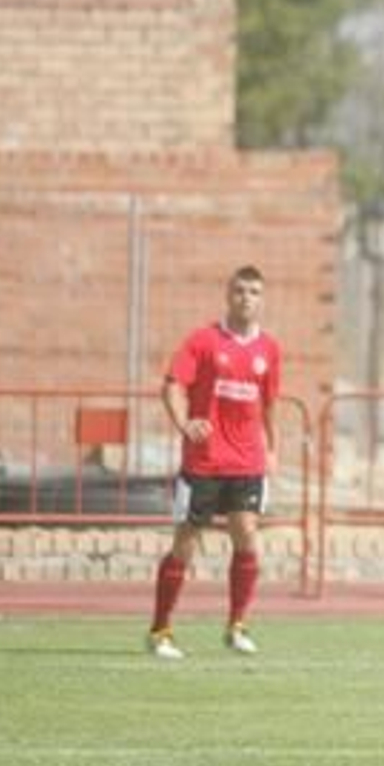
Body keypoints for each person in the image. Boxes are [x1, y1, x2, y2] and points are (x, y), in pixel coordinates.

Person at [146, 265, 282, 660]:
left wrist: (272, 448)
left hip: (247, 462)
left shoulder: (269, 349)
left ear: (262, 298)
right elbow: (172, 386)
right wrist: (184, 422)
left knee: (247, 539)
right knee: (185, 546)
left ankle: (237, 625)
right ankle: (161, 630)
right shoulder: (203, 341)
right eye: (240, 290)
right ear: (228, 294)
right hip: (204, 462)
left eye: (254, 291)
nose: (246, 298)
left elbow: (269, 403)